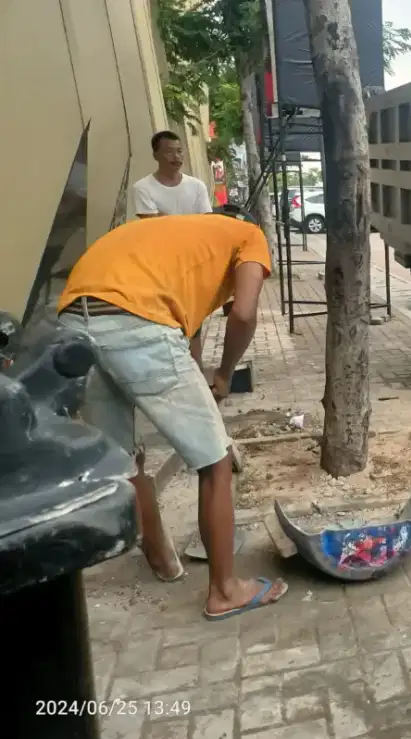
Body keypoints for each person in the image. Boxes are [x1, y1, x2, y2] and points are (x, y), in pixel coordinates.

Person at [57, 207, 288, 621]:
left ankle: (162, 559)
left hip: (74, 317)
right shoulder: (249, 235)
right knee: (215, 461)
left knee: (124, 458)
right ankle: (225, 590)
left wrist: (201, 380)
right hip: (136, 321)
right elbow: (244, 313)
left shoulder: (182, 238)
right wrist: (225, 373)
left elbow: (187, 328)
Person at [132, 130, 215, 367]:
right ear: (156, 155)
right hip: (159, 266)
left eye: (179, 151)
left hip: (192, 262)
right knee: (166, 319)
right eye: (169, 151)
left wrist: (166, 219)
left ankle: (196, 367)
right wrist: (186, 224)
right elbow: (152, 225)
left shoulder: (196, 186)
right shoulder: (142, 188)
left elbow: (206, 224)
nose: (176, 156)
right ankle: (171, 367)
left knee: (194, 318)